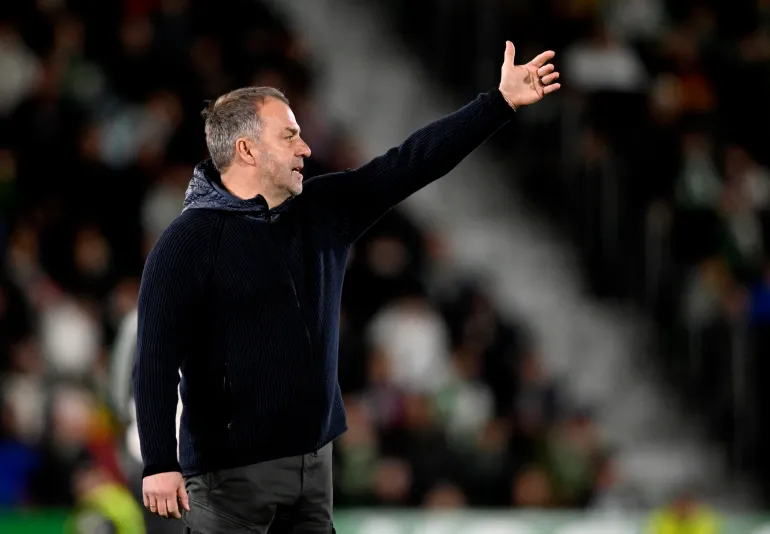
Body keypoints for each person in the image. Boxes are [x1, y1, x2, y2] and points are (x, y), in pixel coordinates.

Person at [133, 40, 560, 533]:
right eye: (289, 136)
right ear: (246, 149)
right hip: (229, 480)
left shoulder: (322, 210)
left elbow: (410, 163)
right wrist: (159, 461)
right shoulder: (185, 243)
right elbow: (156, 358)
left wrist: (498, 104)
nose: (306, 147)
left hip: (314, 469)